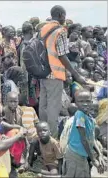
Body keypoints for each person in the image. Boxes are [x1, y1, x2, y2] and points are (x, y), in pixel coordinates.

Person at [38, 5, 86, 137]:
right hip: (54, 73)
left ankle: (42, 137)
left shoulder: (43, 28)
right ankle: (51, 139)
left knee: (43, 107)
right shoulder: (60, 31)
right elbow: (62, 55)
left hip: (42, 73)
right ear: (60, 15)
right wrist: (75, 74)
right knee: (53, 109)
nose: (65, 18)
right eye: (64, 15)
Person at [62, 89, 104, 177]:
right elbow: (84, 139)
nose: (85, 104)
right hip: (75, 154)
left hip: (82, 154)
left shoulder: (90, 118)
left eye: (87, 101)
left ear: (91, 102)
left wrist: (100, 155)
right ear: (76, 103)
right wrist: (93, 159)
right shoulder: (80, 116)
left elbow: (92, 139)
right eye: (81, 101)